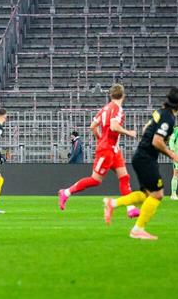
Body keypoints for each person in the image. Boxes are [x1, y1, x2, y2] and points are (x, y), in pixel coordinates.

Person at [104, 88, 178, 240]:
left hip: (141, 156)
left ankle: (112, 203)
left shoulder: (160, 112)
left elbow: (145, 129)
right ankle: (138, 229)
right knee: (158, 194)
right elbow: (157, 141)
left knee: (146, 194)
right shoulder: (168, 117)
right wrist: (173, 155)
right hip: (146, 158)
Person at [58, 84, 139, 218]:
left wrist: (100, 138)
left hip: (114, 150)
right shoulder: (117, 109)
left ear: (110, 95)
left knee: (124, 177)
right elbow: (114, 126)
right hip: (106, 150)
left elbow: (92, 126)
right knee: (95, 180)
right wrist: (129, 133)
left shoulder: (104, 109)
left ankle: (131, 209)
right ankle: (66, 192)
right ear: (123, 96)